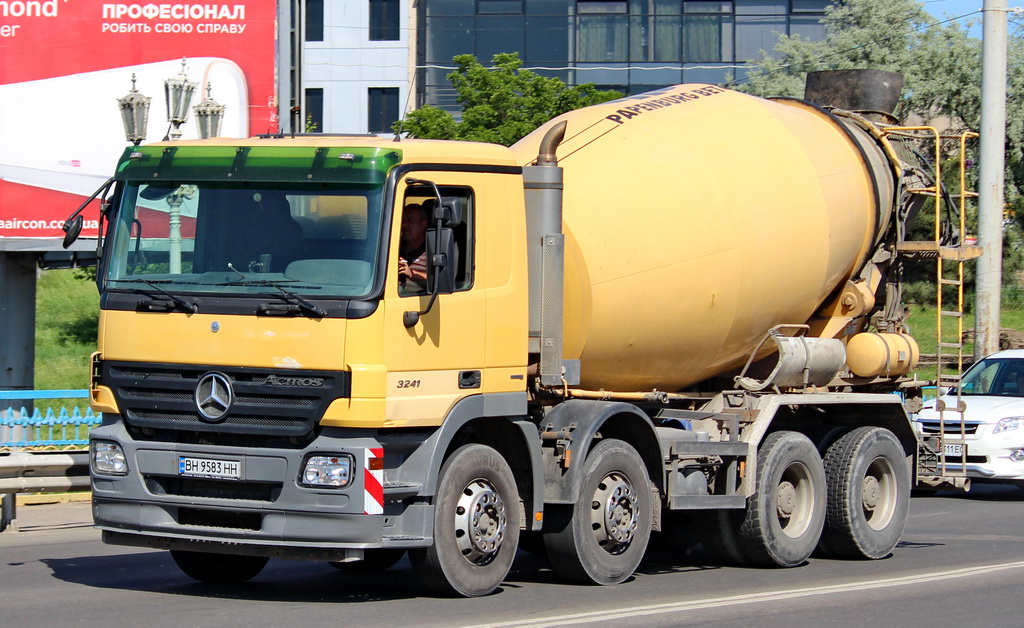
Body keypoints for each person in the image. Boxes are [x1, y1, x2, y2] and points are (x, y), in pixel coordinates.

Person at [398, 202, 429, 292]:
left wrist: (411, 273)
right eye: (403, 221)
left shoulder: (433, 251)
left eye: (409, 220)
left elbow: (439, 280)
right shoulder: (394, 247)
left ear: (423, 224)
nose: (404, 225)